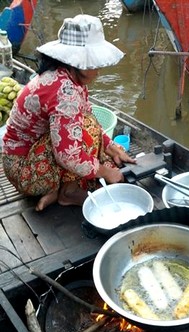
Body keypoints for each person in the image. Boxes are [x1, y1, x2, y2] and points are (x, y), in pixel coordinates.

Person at [2, 14, 136, 211]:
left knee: (88, 125)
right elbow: (68, 157)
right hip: (24, 170)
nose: (98, 70)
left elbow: (87, 116)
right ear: (77, 62)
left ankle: (54, 190)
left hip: (32, 157)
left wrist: (111, 147)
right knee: (85, 131)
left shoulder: (67, 78)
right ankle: (68, 192)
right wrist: (106, 172)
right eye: (94, 64)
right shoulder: (64, 92)